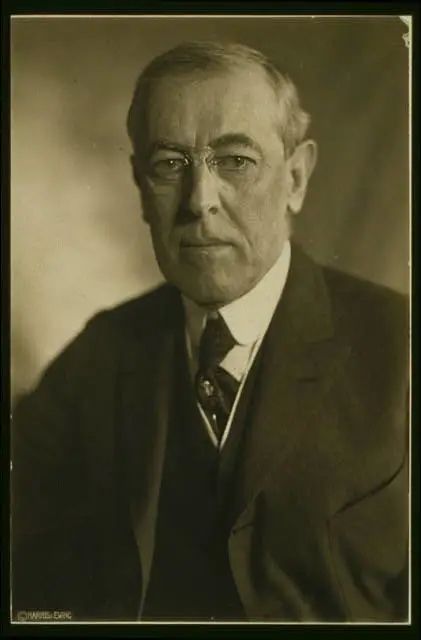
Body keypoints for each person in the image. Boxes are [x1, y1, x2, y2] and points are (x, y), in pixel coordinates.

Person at [12, 41, 409, 623]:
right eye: (170, 164)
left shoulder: (400, 350)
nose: (200, 202)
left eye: (235, 161)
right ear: (140, 189)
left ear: (296, 177)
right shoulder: (98, 359)